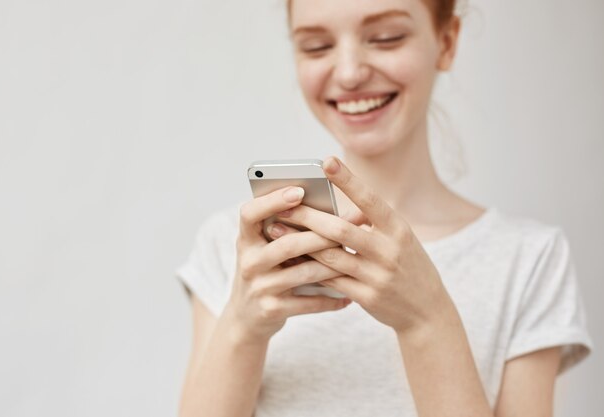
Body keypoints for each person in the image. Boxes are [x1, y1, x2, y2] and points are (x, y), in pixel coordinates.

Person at [176, 0, 593, 416]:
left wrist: (427, 320)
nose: (350, 73)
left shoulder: (528, 259)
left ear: (446, 42)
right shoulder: (238, 247)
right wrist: (243, 327)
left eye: (385, 38)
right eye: (317, 46)